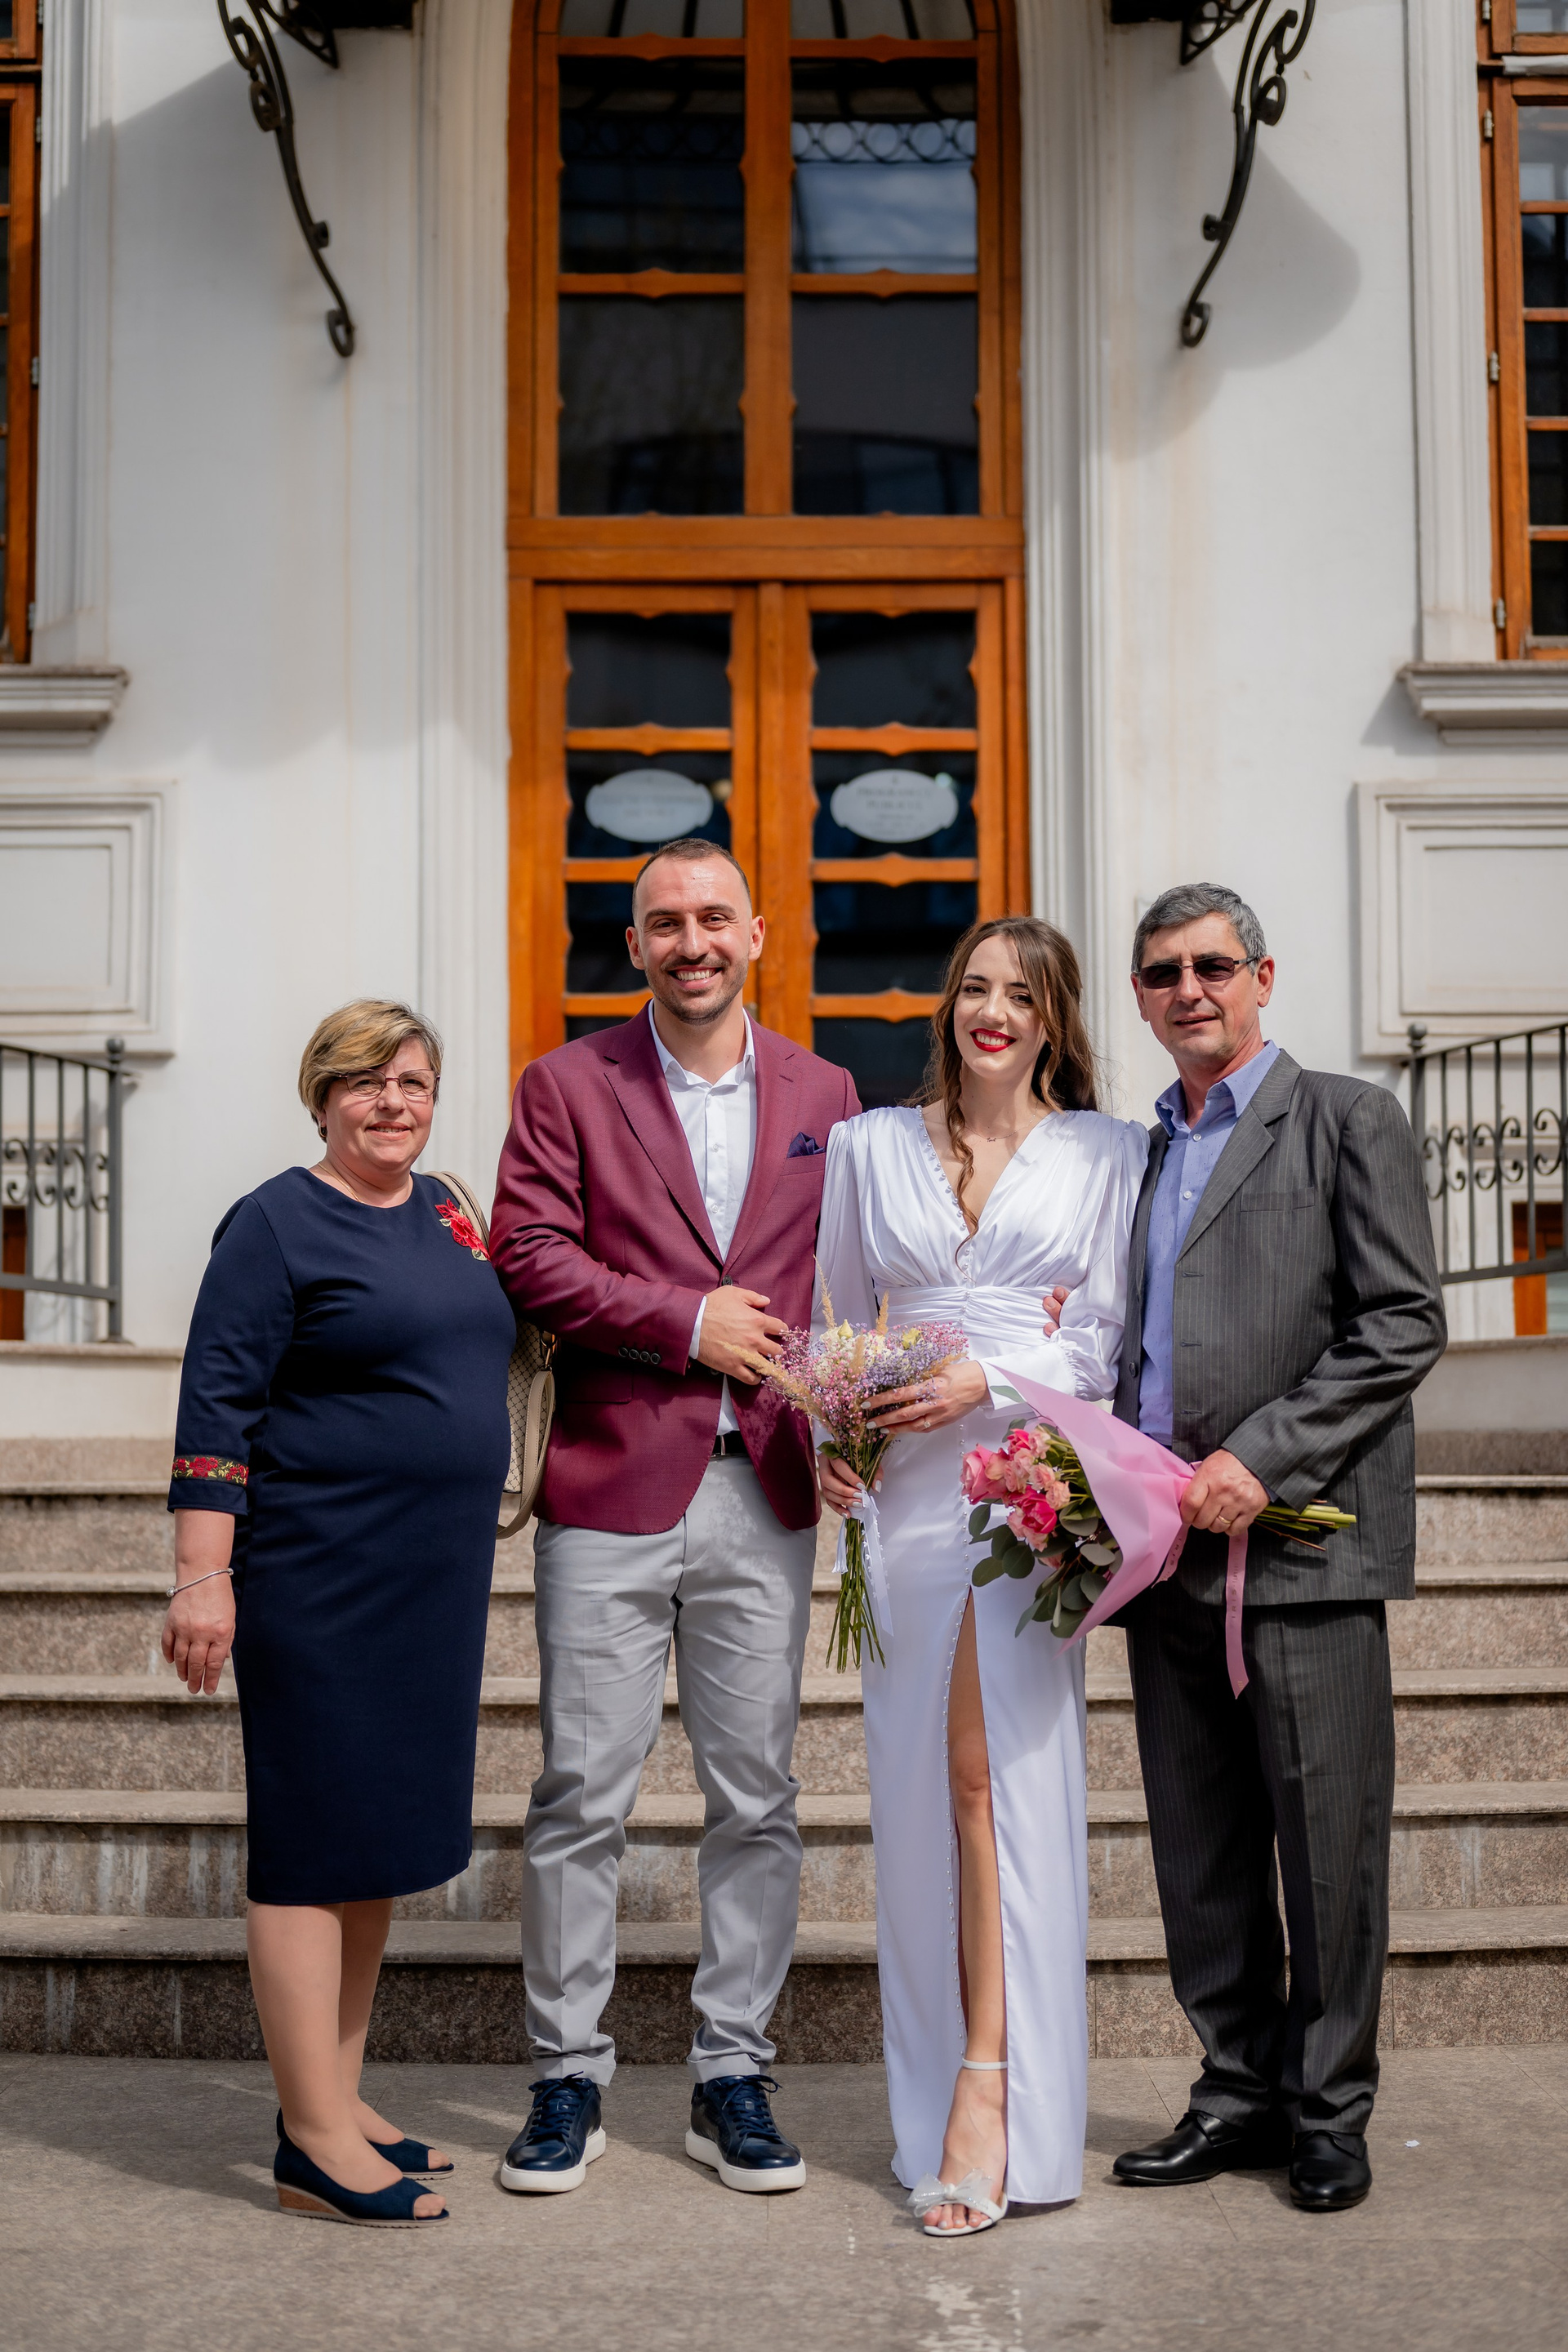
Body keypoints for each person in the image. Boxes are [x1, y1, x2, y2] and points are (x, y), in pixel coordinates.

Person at [488, 837, 859, 2195]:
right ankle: (566, 2076)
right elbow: (529, 1255)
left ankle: (732, 2073)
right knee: (581, 1793)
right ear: (634, 944)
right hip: (610, 1483)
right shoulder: (566, 1084)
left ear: (757, 933)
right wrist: (684, 1322)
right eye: (665, 922)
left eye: (713, 917)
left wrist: (859, 1408)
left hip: (766, 1485)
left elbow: (849, 1269)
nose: (691, 941)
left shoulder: (829, 1092)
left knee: (756, 1794)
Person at [1105, 884, 1446, 2213]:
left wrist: (1267, 1456)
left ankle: (1329, 2110)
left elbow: (1402, 1321)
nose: (1187, 989)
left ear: (1261, 976)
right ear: (1141, 999)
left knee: (1327, 1848)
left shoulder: (1348, 1118)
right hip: (1164, 1552)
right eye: (1161, 973)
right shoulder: (1138, 1152)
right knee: (1199, 1847)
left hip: (1306, 1550)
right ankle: (1235, 2090)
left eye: (1211, 965)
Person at [814, 916, 1147, 2236]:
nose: (991, 1012)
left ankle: (994, 2087)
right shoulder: (867, 1148)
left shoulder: (1108, 1155)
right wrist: (831, 1437)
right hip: (898, 1501)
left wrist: (992, 1376)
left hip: (1024, 1482)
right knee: (920, 1794)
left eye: (1020, 994)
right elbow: (839, 1317)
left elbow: (1108, 1341)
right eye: (973, 989)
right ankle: (939, 2097)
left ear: (1055, 1017)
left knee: (990, 1782)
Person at [162, 1001, 517, 2227]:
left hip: (430, 1583)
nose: (393, 1103)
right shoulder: (273, 1222)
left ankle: (339, 2094)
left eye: (413, 1082)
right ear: (321, 1097)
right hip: (321, 1578)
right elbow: (216, 1402)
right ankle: (310, 2143)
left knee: (374, 1845)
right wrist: (202, 1574)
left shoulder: (447, 1212)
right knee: (315, 1847)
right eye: (366, 1082)